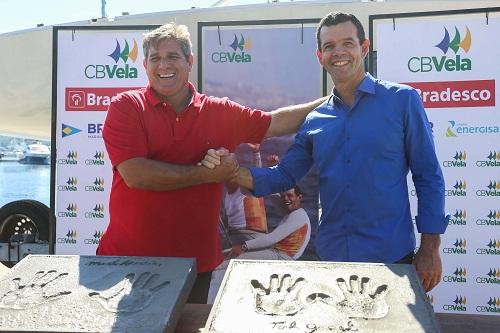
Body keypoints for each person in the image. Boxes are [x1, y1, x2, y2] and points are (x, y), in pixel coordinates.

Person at [202, 12, 449, 292]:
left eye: (347, 43)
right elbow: (282, 176)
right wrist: (233, 171)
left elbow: (428, 176)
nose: (339, 52)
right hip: (332, 261)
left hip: (391, 259)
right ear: (320, 56)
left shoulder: (402, 101)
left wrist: (430, 247)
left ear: (364, 48)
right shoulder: (315, 119)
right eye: (329, 46)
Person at [98, 22, 325, 303]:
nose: (163, 65)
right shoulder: (126, 106)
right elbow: (136, 175)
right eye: (155, 58)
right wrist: (206, 174)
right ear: (144, 64)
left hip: (195, 264)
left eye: (172, 56)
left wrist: (335, 99)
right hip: (127, 261)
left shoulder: (219, 111)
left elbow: (275, 122)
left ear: (189, 61)